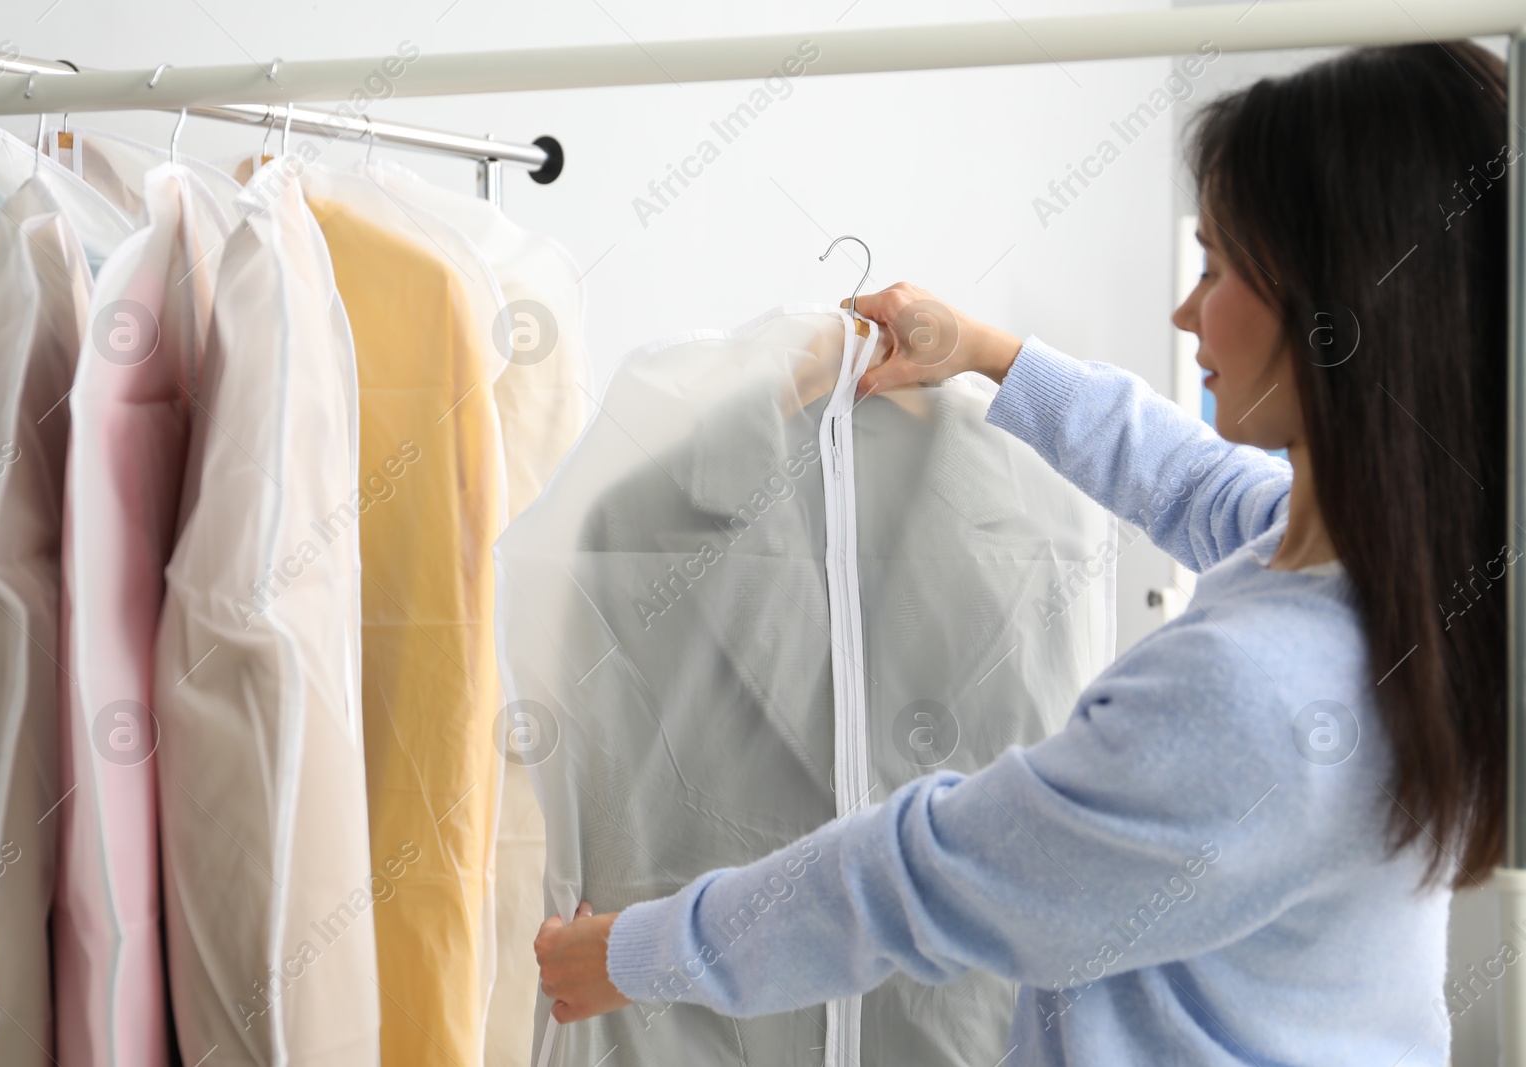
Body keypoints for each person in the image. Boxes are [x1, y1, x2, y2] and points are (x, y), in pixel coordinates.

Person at [535, 40, 1507, 1064]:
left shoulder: (1249, 692)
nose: (1185, 311)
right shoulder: (1396, 578)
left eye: (1215, 267)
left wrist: (636, 953)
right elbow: (1183, 478)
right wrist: (980, 351)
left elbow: (923, 876)